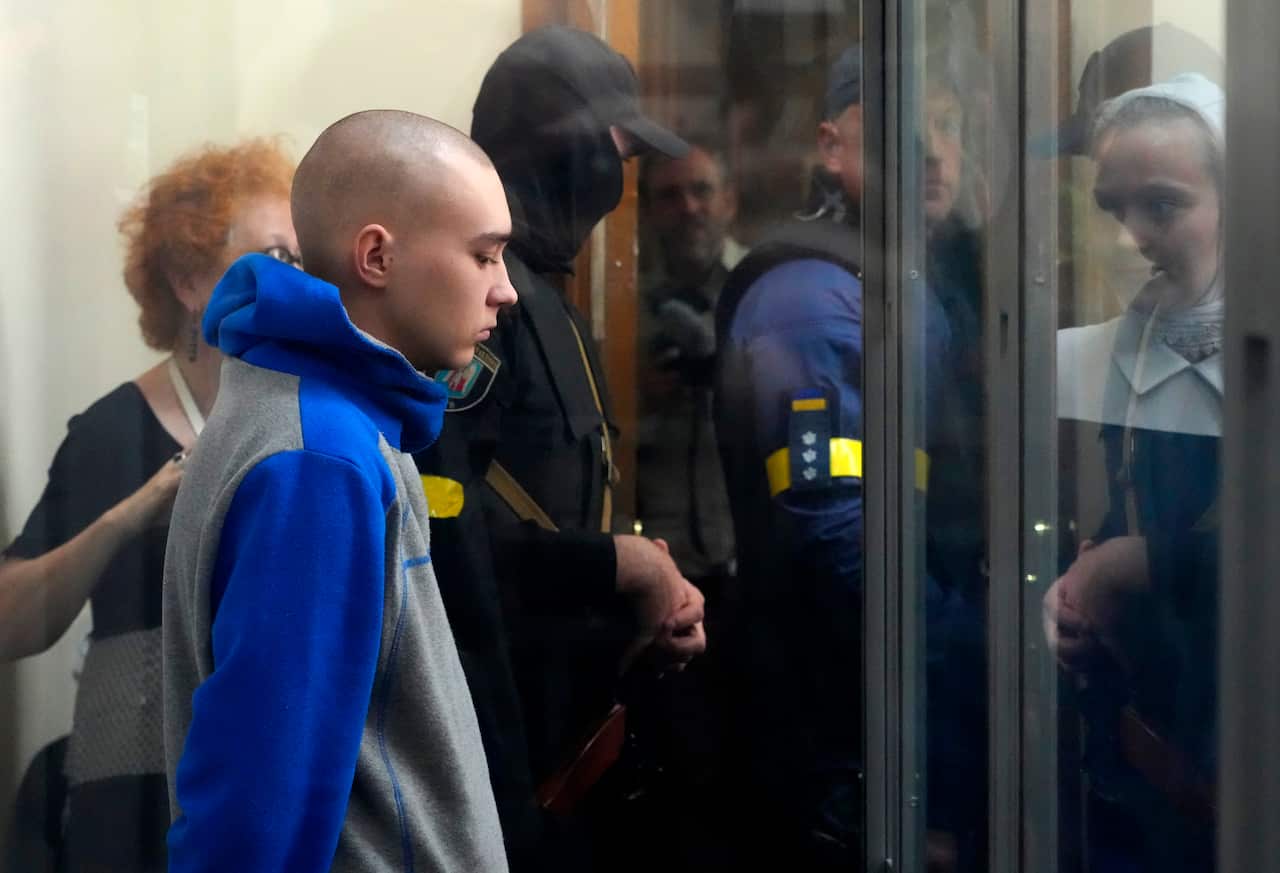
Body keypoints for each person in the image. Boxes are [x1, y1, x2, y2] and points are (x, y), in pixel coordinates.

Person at [162, 111, 515, 873]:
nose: (506, 291)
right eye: (484, 255)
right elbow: (259, 811)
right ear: (378, 255)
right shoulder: (319, 457)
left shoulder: (321, 420)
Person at [414, 24, 707, 871]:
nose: (618, 183)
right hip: (496, 768)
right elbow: (446, 542)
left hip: (568, 751)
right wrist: (624, 568)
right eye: (611, 151)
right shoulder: (479, 315)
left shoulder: (543, 302)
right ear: (566, 150)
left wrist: (643, 594)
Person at [0, 139, 296, 873]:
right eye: (273, 258)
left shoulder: (306, 422)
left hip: (270, 795)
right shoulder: (110, 434)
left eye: (302, 258)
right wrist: (133, 512)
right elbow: (9, 620)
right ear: (191, 279)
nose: (298, 283)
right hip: (130, 809)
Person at [1045, 74, 1225, 873]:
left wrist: (1143, 565)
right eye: (1110, 208)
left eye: (1162, 205)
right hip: (1143, 764)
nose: (1127, 238)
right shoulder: (1107, 350)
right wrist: (1075, 589)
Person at [636, 135, 745, 589]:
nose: (688, 207)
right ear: (647, 212)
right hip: (661, 562)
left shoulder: (762, 291)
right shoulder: (625, 311)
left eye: (702, 190)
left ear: (729, 200)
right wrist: (637, 394)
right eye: (669, 195)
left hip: (751, 554)